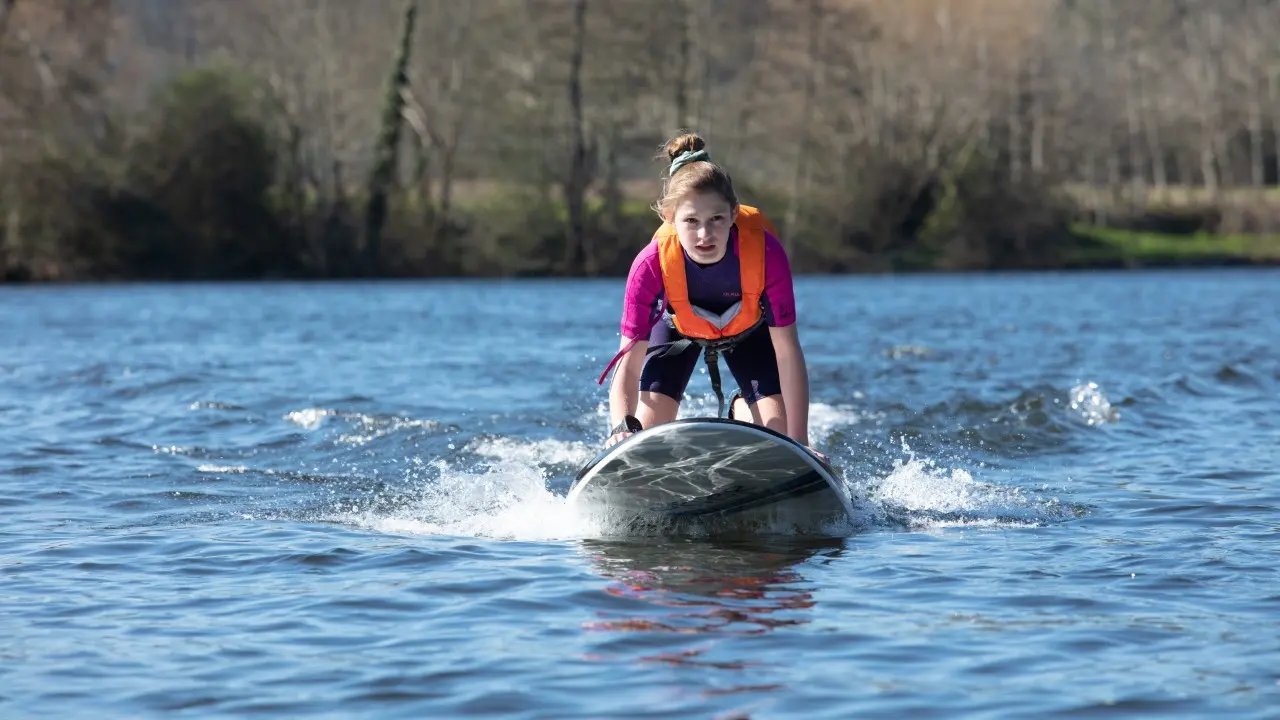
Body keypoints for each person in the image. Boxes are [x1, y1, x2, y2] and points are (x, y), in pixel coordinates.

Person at [596, 132, 818, 454]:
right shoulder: (649, 265)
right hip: (677, 330)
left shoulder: (767, 254)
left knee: (778, 438)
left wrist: (801, 443)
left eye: (716, 218)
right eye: (691, 221)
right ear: (669, 219)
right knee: (645, 437)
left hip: (749, 330)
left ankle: (741, 410)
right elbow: (628, 363)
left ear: (733, 214)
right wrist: (621, 427)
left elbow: (787, 352)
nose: (705, 234)